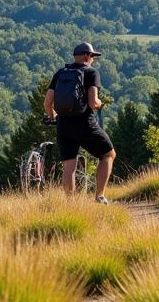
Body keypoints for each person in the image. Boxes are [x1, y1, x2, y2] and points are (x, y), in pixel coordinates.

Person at [44, 43, 116, 204]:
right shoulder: (91, 73)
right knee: (108, 154)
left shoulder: (61, 73)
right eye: (93, 56)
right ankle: (99, 196)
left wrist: (54, 117)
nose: (93, 60)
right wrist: (99, 103)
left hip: (63, 125)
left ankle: (71, 203)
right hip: (84, 124)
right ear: (86, 56)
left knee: (69, 165)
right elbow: (92, 102)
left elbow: (47, 103)